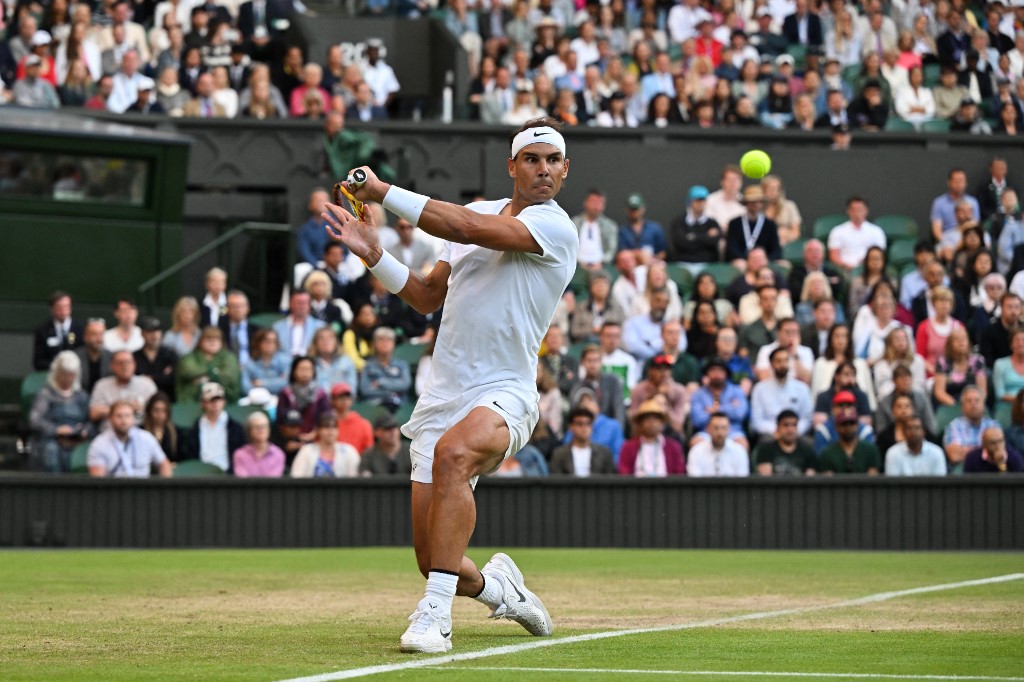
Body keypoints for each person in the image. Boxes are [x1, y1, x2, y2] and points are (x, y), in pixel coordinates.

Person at [320, 117, 575, 651]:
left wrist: (383, 192)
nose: (543, 169)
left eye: (552, 160)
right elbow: (426, 296)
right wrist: (372, 253)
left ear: (565, 170)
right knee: (432, 556)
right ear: (512, 167)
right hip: (443, 394)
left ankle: (434, 617)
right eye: (532, 159)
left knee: (457, 454)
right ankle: (499, 591)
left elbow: (462, 227)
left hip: (505, 390)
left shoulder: (555, 227)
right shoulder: (479, 211)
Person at [29, 351, 93, 473]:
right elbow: (35, 420)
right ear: (57, 373)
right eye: (65, 374)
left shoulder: (82, 396)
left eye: (71, 375)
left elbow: (90, 421)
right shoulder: (45, 394)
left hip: (76, 440)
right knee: (51, 452)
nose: (68, 378)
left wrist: (83, 431)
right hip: (51, 439)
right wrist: (56, 430)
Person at [87, 401, 173, 477]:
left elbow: (164, 465)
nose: (123, 420)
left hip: (143, 491)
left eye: (127, 416)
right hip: (113, 492)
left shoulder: (146, 438)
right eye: (119, 416)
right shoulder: (99, 444)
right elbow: (97, 480)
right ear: (110, 418)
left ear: (133, 418)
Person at [750, 348, 813, 442]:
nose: (783, 365)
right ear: (771, 364)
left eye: (785, 360)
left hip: (796, 433)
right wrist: (779, 431)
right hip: (771, 435)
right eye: (778, 361)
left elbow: (807, 418)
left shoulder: (802, 388)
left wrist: (792, 431)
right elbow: (757, 421)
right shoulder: (759, 389)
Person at [179, 382, 245, 472]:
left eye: (218, 399)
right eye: (211, 400)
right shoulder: (195, 430)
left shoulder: (236, 428)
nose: (215, 404)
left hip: (228, 477)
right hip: (202, 476)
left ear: (224, 402)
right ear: (202, 403)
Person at [89, 349, 157, 429]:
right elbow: (93, 414)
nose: (125, 366)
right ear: (112, 366)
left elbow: (159, 410)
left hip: (141, 431)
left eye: (128, 362)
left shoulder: (146, 384)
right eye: (120, 363)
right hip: (109, 433)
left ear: (134, 364)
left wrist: (143, 408)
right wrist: (126, 407)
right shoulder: (102, 385)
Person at [618, 399, 686, 476]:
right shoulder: (628, 447)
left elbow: (679, 473)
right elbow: (624, 473)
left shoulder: (673, 447)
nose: (652, 422)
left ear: (662, 423)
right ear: (640, 423)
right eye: (647, 418)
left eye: (656, 418)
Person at [176, 326, 241, 404]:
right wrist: (215, 372)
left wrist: (204, 377)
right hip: (192, 402)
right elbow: (187, 371)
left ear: (222, 342)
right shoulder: (190, 357)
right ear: (200, 342)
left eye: (216, 339)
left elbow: (230, 378)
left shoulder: (229, 357)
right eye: (208, 339)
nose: (212, 342)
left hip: (225, 401)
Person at [627, 355, 689, 435]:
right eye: (659, 369)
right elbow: (634, 422)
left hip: (671, 436)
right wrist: (653, 397)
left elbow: (678, 426)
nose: (664, 373)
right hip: (643, 435)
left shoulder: (679, 391)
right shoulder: (638, 390)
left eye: (667, 369)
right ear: (650, 371)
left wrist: (665, 406)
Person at [567, 345, 625, 427]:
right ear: (582, 362)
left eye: (596, 360)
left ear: (601, 362)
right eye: (589, 360)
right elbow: (573, 415)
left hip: (610, 429)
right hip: (586, 431)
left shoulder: (613, 381)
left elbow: (619, 411)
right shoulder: (577, 387)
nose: (592, 365)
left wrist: (618, 432)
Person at [549, 406, 616, 476]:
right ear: (571, 427)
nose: (584, 428)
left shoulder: (605, 453)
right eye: (579, 424)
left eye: (588, 424)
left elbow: (610, 482)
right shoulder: (559, 454)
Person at [290, 413, 361, 478]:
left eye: (334, 427)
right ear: (318, 430)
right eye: (326, 427)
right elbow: (296, 476)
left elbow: (355, 477)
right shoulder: (307, 450)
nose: (330, 431)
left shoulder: (349, 451)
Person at [665, 185, 721, 265]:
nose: (701, 203)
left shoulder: (712, 223)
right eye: (697, 200)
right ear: (690, 201)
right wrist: (706, 236)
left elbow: (713, 242)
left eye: (703, 200)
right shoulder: (678, 222)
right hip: (684, 264)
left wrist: (692, 237)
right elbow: (681, 243)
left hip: (708, 264)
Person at [827, 196, 886, 272]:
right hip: (844, 270)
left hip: (869, 269)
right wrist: (846, 266)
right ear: (848, 211)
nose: (857, 213)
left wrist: (865, 264)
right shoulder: (837, 231)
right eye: (854, 209)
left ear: (866, 211)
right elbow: (834, 256)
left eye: (860, 209)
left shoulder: (877, 231)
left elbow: (880, 254)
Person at [725, 185, 781, 264]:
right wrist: (748, 260)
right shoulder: (735, 223)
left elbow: (776, 249)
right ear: (746, 203)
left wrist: (765, 260)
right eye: (753, 202)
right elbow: (732, 249)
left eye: (759, 201)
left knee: (783, 264)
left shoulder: (770, 224)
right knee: (740, 264)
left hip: (765, 261)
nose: (757, 204)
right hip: (743, 261)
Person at [817, 407, 882, 475]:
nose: (848, 427)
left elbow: (873, 479)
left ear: (857, 425)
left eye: (852, 423)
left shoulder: (870, 450)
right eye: (844, 424)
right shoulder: (827, 453)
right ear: (837, 427)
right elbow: (827, 481)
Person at [360, 327, 413, 409]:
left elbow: (405, 384)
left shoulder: (402, 365)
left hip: (398, 405)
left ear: (394, 343)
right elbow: (365, 390)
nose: (385, 343)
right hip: (374, 405)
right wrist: (390, 392)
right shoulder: (369, 365)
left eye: (389, 339)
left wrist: (380, 382)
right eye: (381, 339)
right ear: (374, 343)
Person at [933, 328, 987, 407]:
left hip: (973, 404)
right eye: (957, 339)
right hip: (950, 404)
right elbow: (940, 392)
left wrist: (973, 404)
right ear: (950, 344)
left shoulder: (977, 361)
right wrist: (957, 406)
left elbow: (982, 391)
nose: (961, 341)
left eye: (964, 338)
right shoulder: (942, 362)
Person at [33, 291, 84, 371]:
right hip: (50, 372)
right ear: (52, 309)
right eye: (59, 307)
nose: (63, 311)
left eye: (66, 306)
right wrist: (57, 367)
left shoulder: (80, 328)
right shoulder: (42, 329)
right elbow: (38, 362)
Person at [755, 409, 816, 476]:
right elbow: (765, 480)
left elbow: (809, 481)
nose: (790, 429)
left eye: (794, 425)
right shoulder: (766, 450)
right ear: (778, 427)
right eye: (786, 425)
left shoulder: (807, 451)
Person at [687, 412, 749, 477]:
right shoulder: (696, 451)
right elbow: (694, 481)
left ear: (729, 429)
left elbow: (742, 482)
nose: (720, 432)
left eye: (724, 428)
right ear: (708, 429)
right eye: (716, 428)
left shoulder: (739, 452)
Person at [754, 318, 814, 384]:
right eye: (787, 332)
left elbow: (806, 379)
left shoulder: (806, 351)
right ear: (778, 333)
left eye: (794, 332)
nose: (791, 336)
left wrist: (795, 354)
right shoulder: (766, 350)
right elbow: (764, 378)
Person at [570, 271, 625, 343]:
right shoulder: (581, 307)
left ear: (609, 287)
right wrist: (592, 330)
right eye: (597, 283)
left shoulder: (617, 308)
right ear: (590, 287)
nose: (600, 286)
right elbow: (574, 331)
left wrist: (605, 331)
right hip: (585, 344)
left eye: (604, 283)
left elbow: (623, 331)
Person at [134, 316, 177, 400]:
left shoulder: (170, 354)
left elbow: (172, 379)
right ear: (142, 334)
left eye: (157, 331)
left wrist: (149, 378)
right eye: (150, 332)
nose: (154, 335)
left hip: (168, 400)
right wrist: (161, 376)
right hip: (142, 400)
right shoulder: (135, 356)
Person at [273, 291, 326, 357]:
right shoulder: (277, 327)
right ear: (290, 304)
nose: (302, 306)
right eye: (299, 303)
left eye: (305, 303)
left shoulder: (321, 327)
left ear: (309, 305)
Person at [242, 328, 291, 396]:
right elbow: (245, 387)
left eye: (274, 341)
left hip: (280, 398)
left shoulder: (285, 360)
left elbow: (286, 382)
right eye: (267, 341)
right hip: (257, 398)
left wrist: (262, 383)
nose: (271, 345)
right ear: (259, 343)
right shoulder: (250, 363)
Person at [980, 293, 1022, 369]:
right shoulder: (989, 332)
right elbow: (987, 359)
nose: (1013, 311)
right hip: (998, 371)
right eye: (1009, 307)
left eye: (1017, 307)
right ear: (1002, 308)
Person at [330, 382, 374, 454]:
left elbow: (368, 451)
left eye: (347, 396)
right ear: (332, 400)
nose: (344, 400)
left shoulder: (363, 424)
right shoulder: (326, 424)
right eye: (340, 396)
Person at [74, 319, 112, 394]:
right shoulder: (75, 357)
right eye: (94, 334)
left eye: (101, 334)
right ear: (85, 337)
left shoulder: (111, 357)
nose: (99, 339)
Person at [141, 392, 177, 462]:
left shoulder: (175, 431)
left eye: (163, 410)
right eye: (156, 410)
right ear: (150, 411)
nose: (159, 414)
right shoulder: (141, 431)